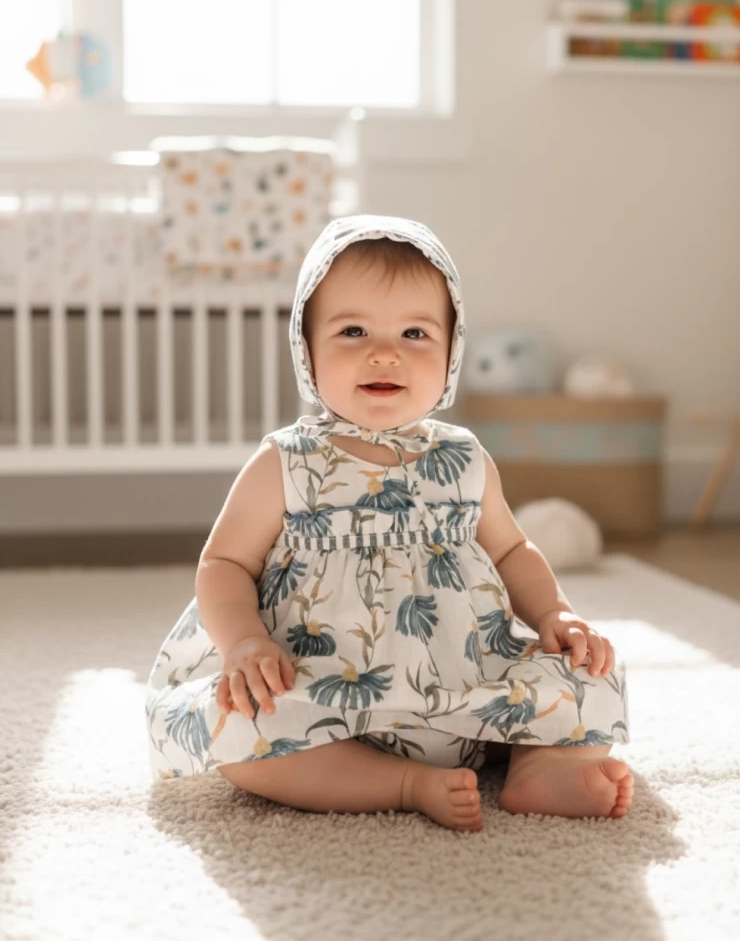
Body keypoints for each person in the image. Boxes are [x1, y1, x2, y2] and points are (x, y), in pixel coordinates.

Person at [146, 215, 633, 833]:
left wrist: (556, 616)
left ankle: (541, 769)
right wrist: (245, 643)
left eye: (414, 332)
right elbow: (223, 564)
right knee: (236, 728)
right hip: (320, 689)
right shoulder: (286, 461)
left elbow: (512, 551)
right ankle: (402, 783)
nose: (385, 352)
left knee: (594, 670)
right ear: (307, 349)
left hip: (467, 687)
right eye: (352, 330)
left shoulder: (464, 458)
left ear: (451, 353)